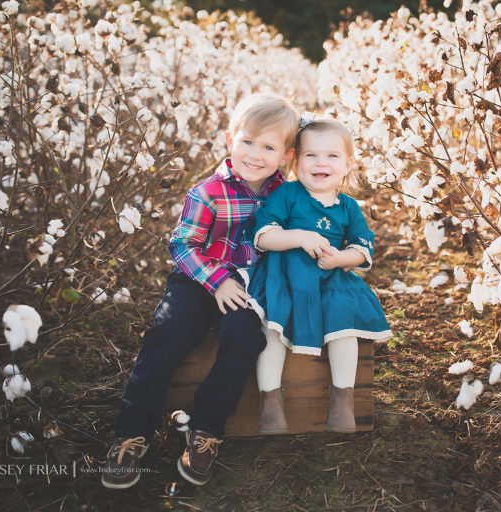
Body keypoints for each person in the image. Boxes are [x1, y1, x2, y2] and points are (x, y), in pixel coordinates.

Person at [101, 93, 299, 489]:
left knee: (244, 338)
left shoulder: (286, 196)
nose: (255, 154)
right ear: (230, 139)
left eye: (268, 146)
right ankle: (131, 432)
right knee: (167, 333)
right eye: (247, 141)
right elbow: (182, 245)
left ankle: (206, 429)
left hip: (246, 287)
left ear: (287, 156)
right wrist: (216, 280)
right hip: (198, 278)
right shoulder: (208, 191)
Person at [244, 117, 392, 435]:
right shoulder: (287, 195)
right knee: (271, 328)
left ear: (347, 164)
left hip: (329, 280)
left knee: (344, 326)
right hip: (283, 276)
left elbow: (363, 248)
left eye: (332, 156)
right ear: (297, 161)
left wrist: (340, 258)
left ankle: (342, 401)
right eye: (311, 155)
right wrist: (300, 237)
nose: (321, 162)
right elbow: (264, 236)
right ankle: (270, 404)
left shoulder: (348, 206)